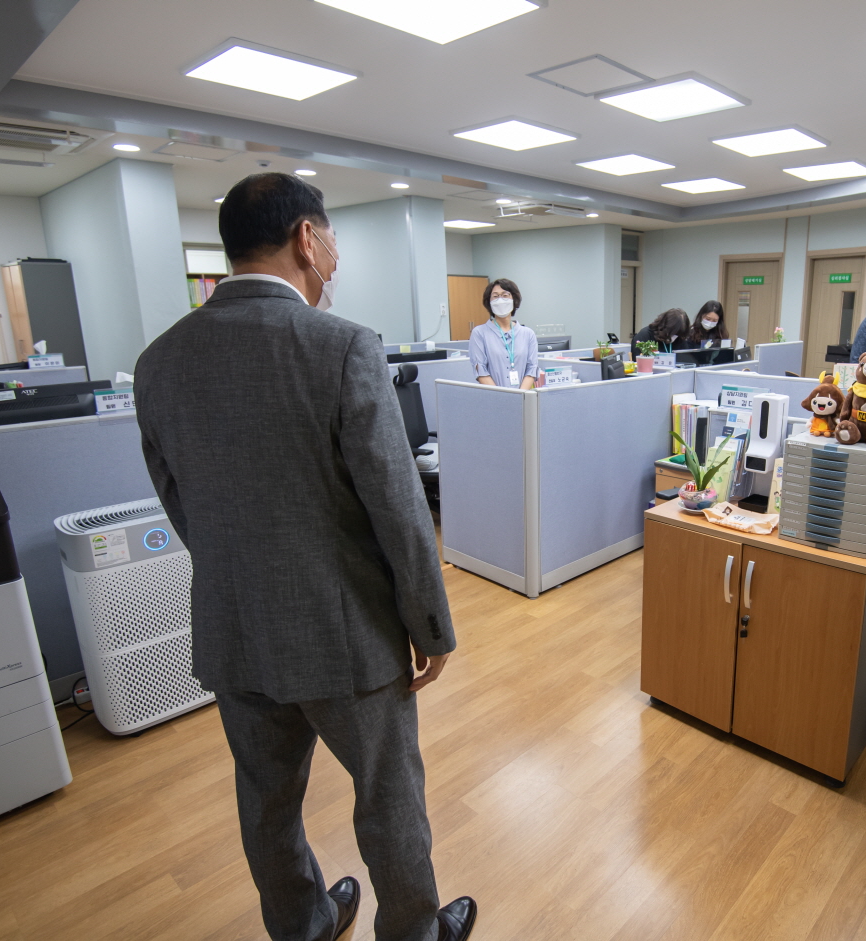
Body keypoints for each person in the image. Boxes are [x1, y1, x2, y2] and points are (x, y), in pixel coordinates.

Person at [134, 172, 477, 941]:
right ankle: (414, 933)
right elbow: (399, 507)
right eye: (333, 239)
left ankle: (305, 924)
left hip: (233, 630)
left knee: (266, 800)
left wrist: (239, 574)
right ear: (305, 237)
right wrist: (430, 625)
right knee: (387, 795)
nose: (336, 257)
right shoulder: (342, 345)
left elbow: (179, 500)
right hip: (345, 636)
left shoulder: (157, 361)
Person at [469, 278, 539, 389]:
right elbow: (481, 371)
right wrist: (503, 397)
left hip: (523, 396)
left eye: (505, 295)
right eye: (495, 296)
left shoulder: (528, 334)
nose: (500, 300)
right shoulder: (479, 333)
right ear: (489, 302)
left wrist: (520, 395)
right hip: (494, 396)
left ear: (514, 299)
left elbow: (532, 369)